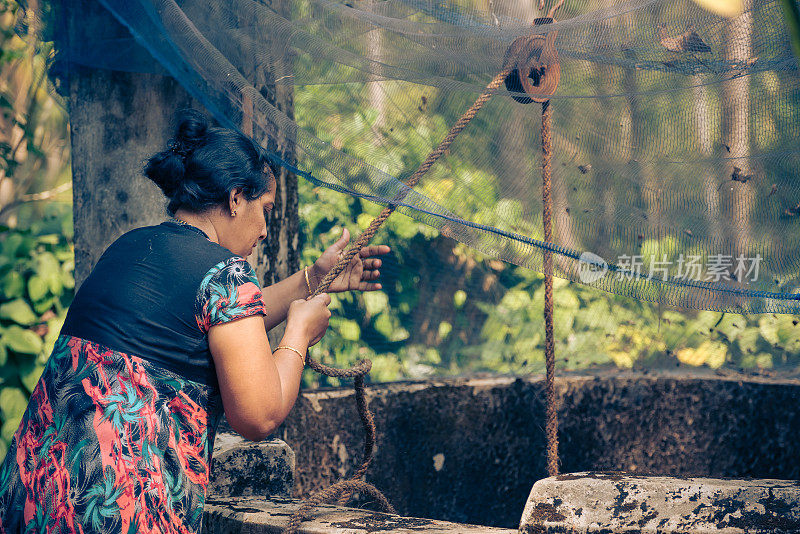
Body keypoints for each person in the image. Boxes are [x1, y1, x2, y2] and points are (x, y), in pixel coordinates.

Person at [0, 110, 389, 533]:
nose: (264, 230)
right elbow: (257, 416)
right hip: (116, 513)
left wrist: (313, 279)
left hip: (31, 496)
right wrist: (299, 332)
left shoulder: (129, 247)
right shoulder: (226, 272)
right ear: (236, 198)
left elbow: (221, 320)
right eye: (265, 209)